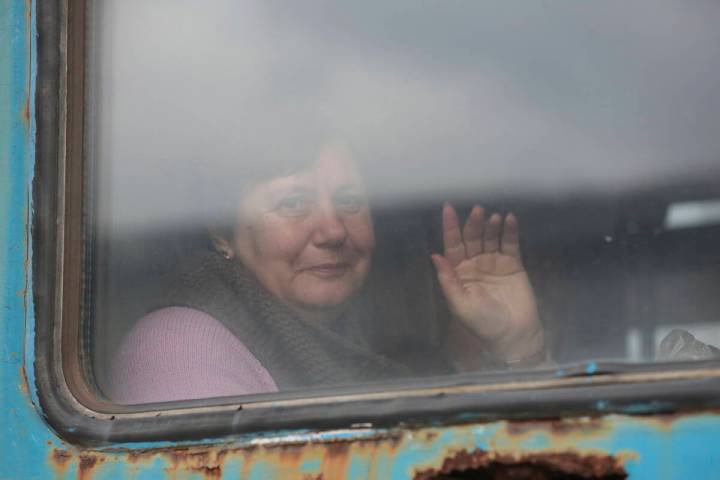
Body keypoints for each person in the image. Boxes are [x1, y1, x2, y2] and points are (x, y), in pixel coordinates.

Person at [110, 145, 546, 404]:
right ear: (222, 232)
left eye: (350, 201)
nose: (334, 230)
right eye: (293, 204)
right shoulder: (180, 348)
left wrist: (516, 344)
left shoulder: (361, 339)